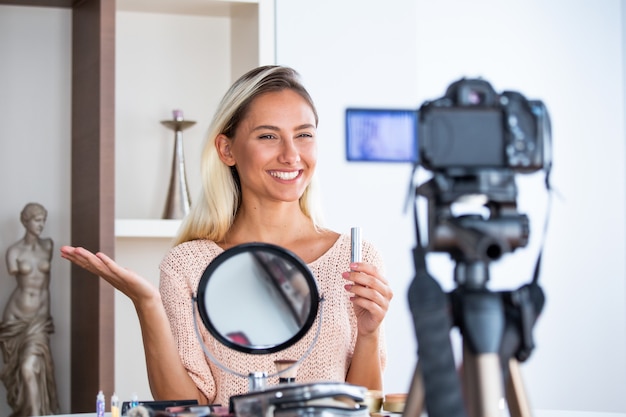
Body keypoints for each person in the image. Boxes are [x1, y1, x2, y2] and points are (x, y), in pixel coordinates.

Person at [60, 65, 393, 406]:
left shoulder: (355, 259)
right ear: (226, 149)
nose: (291, 154)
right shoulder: (188, 266)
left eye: (304, 135)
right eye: (268, 136)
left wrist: (369, 335)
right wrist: (148, 305)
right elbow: (186, 408)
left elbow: (364, 408)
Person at [1, 202, 60, 417]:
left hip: (38, 320)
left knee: (29, 368)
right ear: (25, 221)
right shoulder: (14, 252)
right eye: (37, 220)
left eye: (43, 220)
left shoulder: (48, 246)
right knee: (21, 371)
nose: (41, 224)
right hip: (15, 319)